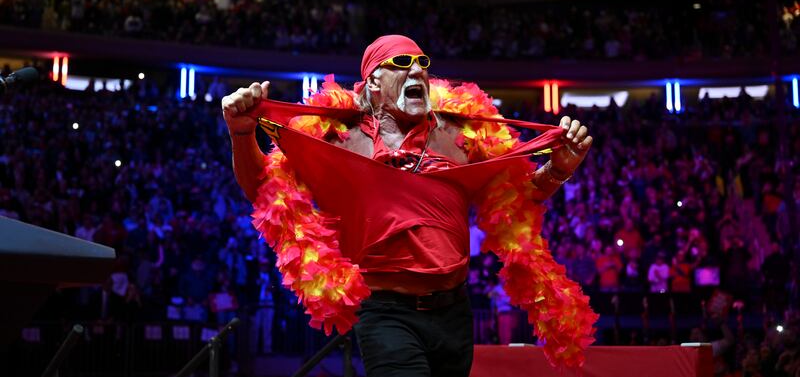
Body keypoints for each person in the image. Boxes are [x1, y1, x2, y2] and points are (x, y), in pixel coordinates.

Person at [221, 35, 593, 376]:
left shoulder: (459, 135)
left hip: (454, 312)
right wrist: (241, 132)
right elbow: (264, 191)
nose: (417, 70)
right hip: (386, 313)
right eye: (401, 63)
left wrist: (558, 169)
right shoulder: (339, 140)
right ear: (373, 83)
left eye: (421, 63)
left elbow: (516, 201)